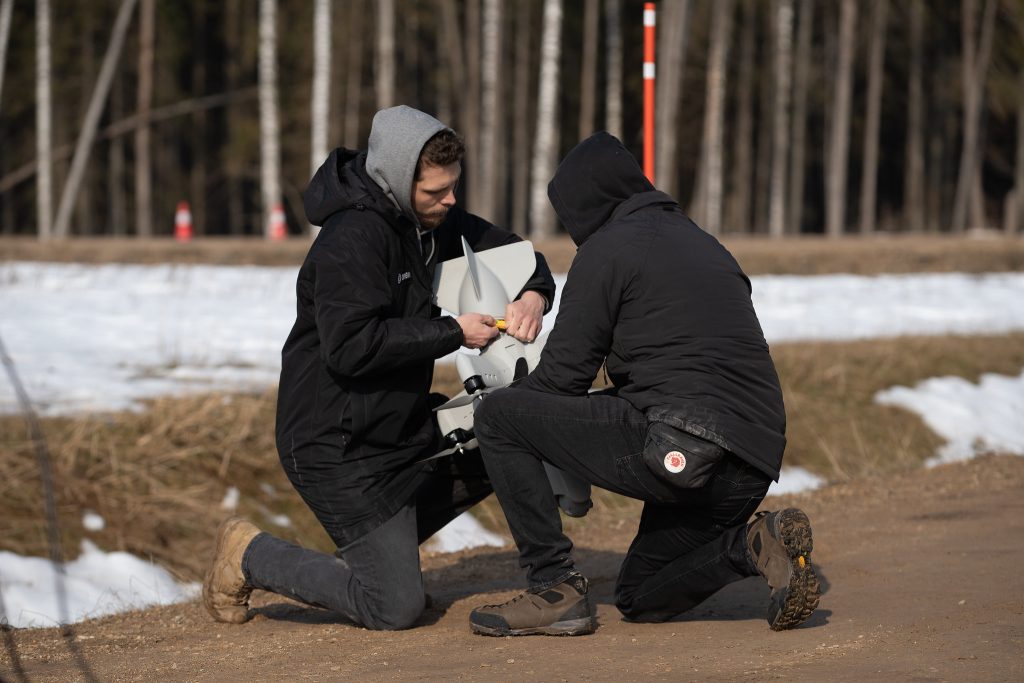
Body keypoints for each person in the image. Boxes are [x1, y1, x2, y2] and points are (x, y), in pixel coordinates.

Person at [202, 105, 555, 631]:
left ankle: (382, 558)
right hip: (335, 444)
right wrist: (454, 332)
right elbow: (351, 346)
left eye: (454, 186)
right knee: (393, 607)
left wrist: (533, 295)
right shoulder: (352, 239)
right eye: (437, 191)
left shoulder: (430, 218)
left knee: (502, 434)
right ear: (396, 179)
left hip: (399, 429)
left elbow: (517, 255)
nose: (451, 200)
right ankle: (248, 554)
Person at [468, 132, 820, 637]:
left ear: (585, 204)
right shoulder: (705, 243)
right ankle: (754, 544)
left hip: (684, 445)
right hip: (751, 463)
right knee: (640, 594)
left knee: (499, 416)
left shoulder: (608, 248)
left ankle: (553, 589)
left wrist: (513, 409)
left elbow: (561, 381)